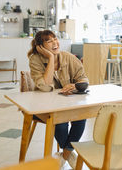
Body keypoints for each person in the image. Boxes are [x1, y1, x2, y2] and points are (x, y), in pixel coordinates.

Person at [27, 29, 87, 168]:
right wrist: (51, 58)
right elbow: (46, 87)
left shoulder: (68, 57)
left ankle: (65, 154)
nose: (55, 43)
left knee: (81, 115)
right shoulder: (35, 60)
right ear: (40, 47)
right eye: (49, 41)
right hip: (44, 106)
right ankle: (69, 154)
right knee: (60, 121)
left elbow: (83, 78)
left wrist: (75, 85)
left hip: (67, 103)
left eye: (55, 39)